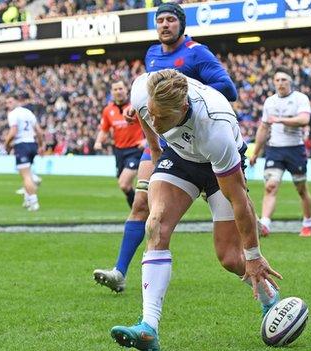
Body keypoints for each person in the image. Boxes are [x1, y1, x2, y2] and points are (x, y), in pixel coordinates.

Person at [110, 69, 282, 351]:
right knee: (156, 224)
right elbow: (145, 116)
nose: (155, 121)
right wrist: (155, 152)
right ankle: (148, 327)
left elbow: (240, 201)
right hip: (179, 157)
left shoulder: (216, 129)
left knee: (229, 258)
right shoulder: (144, 91)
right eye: (152, 113)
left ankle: (269, 299)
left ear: (183, 108)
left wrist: (253, 255)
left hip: (219, 169)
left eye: (162, 118)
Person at [93, 2, 237, 293]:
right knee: (141, 204)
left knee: (227, 210)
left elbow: (228, 89)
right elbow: (150, 94)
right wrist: (140, 108)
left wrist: (184, 92)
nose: (165, 25)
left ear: (181, 25)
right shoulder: (152, 54)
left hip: (196, 140)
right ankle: (120, 271)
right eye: (160, 20)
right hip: (159, 140)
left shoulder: (197, 53)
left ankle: (249, 248)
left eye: (171, 19)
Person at [249, 67, 311, 237]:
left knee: (301, 188)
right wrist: (255, 153)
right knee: (270, 186)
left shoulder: (300, 98)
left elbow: (304, 120)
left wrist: (280, 120)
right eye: (277, 80)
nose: (280, 83)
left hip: (295, 149)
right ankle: (265, 224)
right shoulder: (270, 102)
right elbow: (263, 127)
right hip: (275, 149)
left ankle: (308, 222)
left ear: (290, 81)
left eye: (284, 79)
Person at [94, 80, 146, 208]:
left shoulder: (135, 107)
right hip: (119, 151)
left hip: (135, 150)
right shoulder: (108, 110)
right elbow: (104, 129)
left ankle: (139, 211)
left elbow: (150, 125)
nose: (118, 92)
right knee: (125, 187)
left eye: (120, 89)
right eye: (115, 89)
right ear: (111, 92)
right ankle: (140, 211)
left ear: (126, 90)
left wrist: (146, 140)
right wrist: (98, 141)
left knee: (124, 183)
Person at [4, 95, 45, 212]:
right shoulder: (28, 113)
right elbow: (38, 131)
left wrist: (6, 144)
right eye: (7, 102)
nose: (8, 104)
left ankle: (34, 202)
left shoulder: (13, 114)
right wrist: (41, 145)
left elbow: (13, 131)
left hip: (22, 145)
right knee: (26, 173)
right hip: (32, 144)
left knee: (26, 176)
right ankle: (28, 199)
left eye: (10, 101)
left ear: (18, 101)